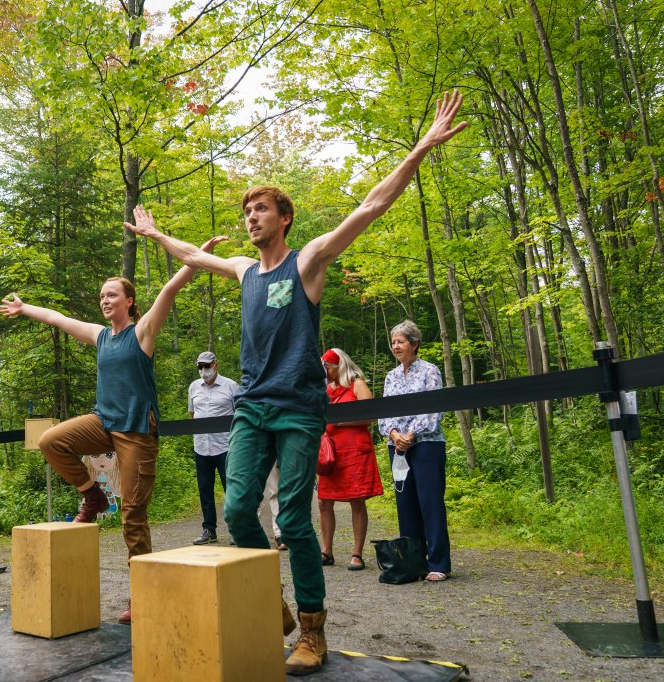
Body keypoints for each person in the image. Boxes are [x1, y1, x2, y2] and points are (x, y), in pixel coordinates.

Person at [126, 91, 466, 674]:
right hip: (252, 407)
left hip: (300, 408)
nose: (251, 217)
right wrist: (157, 236)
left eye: (260, 210)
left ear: (283, 219)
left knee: (290, 520)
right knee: (236, 512)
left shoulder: (306, 261)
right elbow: (191, 254)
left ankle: (313, 628)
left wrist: (418, 151)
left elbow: (369, 206)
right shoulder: (241, 271)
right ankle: (270, 600)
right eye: (246, 211)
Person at [0, 236, 225, 625]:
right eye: (102, 296)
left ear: (129, 301)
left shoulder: (143, 333)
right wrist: (24, 308)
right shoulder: (100, 336)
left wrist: (196, 255)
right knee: (52, 440)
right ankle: (93, 498)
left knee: (133, 514)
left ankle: (141, 596)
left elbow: (170, 288)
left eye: (112, 295)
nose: (105, 301)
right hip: (104, 423)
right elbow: (57, 318)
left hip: (137, 431)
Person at [379, 320, 450, 582]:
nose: (396, 346)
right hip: (397, 446)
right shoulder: (391, 376)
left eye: (401, 342)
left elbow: (435, 409)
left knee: (430, 503)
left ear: (414, 344)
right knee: (405, 504)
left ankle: (439, 563)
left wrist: (411, 435)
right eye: (394, 342)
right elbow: (384, 413)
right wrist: (394, 434)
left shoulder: (429, 371)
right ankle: (413, 562)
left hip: (426, 444)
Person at [318, 348, 382, 571]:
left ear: (339, 366)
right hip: (329, 455)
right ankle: (326, 551)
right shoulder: (325, 390)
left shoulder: (357, 384)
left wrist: (341, 421)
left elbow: (372, 414)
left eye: (327, 368)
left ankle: (357, 553)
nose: (325, 372)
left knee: (356, 500)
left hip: (354, 451)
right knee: (324, 501)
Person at [188, 351, 238, 546]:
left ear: (215, 365)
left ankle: (236, 529)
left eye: (206, 366)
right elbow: (192, 415)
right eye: (200, 366)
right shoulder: (194, 387)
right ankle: (209, 530)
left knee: (232, 489)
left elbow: (240, 415)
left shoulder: (231, 386)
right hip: (202, 446)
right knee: (205, 490)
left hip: (225, 446)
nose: (203, 370)